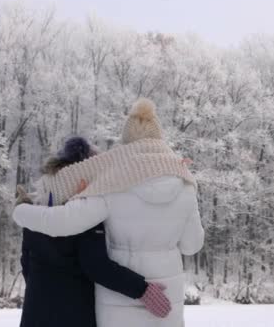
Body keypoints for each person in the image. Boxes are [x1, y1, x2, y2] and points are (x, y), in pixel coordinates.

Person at [12, 98, 204, 327]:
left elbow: (61, 223)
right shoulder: (185, 186)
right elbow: (192, 245)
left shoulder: (111, 184)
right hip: (167, 302)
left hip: (118, 306)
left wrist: (21, 211)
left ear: (126, 142)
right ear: (159, 139)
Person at [16, 136, 171, 327]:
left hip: (34, 316)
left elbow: (26, 265)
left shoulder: (34, 213)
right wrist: (143, 290)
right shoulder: (83, 216)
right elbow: (97, 266)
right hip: (74, 316)